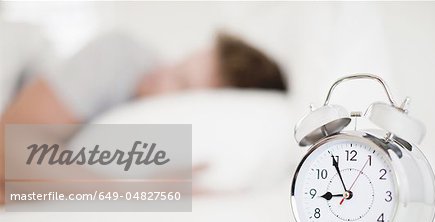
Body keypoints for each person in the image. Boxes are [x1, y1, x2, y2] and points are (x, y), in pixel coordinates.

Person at [0, 31, 288, 203]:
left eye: (180, 82)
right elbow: (7, 146)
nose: (161, 74)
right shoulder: (117, 55)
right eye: (178, 65)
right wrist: (127, 190)